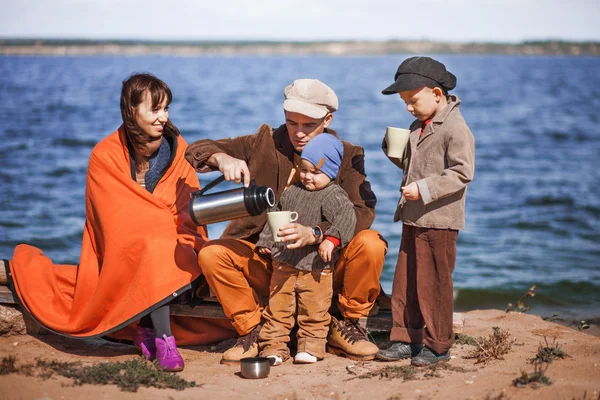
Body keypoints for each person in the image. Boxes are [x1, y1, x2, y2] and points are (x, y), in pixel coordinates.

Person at [6, 73, 236, 372]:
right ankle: (164, 338)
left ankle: (145, 329)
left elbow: (187, 207)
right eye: (154, 109)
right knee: (151, 242)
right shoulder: (105, 156)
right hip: (124, 245)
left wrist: (159, 220)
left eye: (166, 109)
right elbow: (109, 218)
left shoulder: (178, 148)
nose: (162, 118)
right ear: (131, 110)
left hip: (177, 238)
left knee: (161, 243)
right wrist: (149, 220)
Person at [185, 79, 387, 364]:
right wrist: (221, 158)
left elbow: (361, 211)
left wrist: (317, 233)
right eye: (292, 123)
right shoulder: (262, 142)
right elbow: (197, 149)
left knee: (371, 243)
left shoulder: (348, 154)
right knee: (211, 253)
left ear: (328, 119)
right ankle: (254, 331)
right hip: (270, 263)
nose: (299, 134)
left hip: (323, 266)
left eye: (309, 125)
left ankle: (348, 324)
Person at [376, 57, 475, 366]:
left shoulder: (455, 128)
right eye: (404, 101)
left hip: (440, 220)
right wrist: (393, 149)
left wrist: (424, 189)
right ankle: (406, 337)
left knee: (434, 282)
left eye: (412, 100)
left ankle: (439, 344)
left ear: (436, 93)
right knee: (405, 280)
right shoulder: (419, 125)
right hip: (413, 216)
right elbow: (411, 165)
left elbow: (461, 174)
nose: (408, 107)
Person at [256, 134, 357, 365]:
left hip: (315, 267)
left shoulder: (333, 194)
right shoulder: (292, 191)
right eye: (304, 170)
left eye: (315, 172)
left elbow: (346, 217)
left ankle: (310, 347)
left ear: (330, 172)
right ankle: (273, 347)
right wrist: (266, 241)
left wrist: (331, 240)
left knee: (314, 310)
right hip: (284, 263)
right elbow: (275, 215)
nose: (308, 177)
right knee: (277, 309)